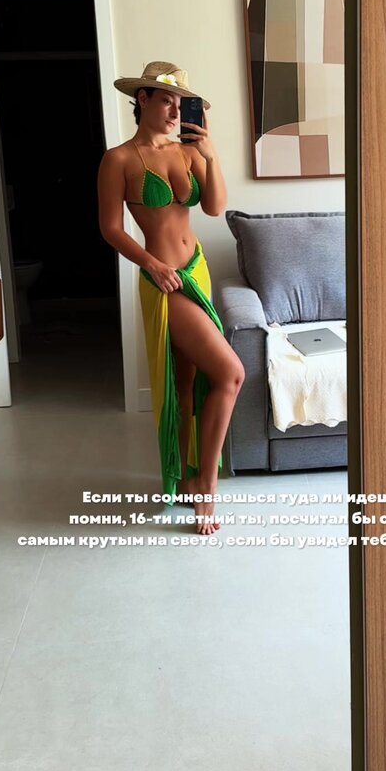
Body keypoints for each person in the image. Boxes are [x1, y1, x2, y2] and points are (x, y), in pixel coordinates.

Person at [98, 61, 245, 534]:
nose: (176, 111)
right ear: (143, 99)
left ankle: (184, 477)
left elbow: (215, 207)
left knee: (188, 381)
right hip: (165, 282)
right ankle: (206, 486)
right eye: (167, 101)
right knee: (231, 373)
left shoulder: (187, 151)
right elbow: (111, 228)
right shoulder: (119, 159)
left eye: (181, 103)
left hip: (196, 271)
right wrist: (152, 265)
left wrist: (211, 155)